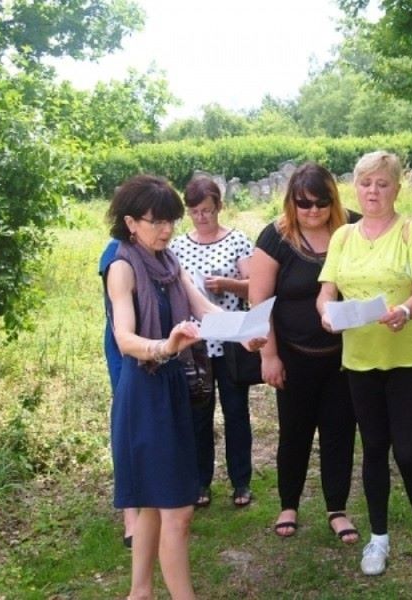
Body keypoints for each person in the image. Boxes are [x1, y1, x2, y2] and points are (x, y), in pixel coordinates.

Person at [102, 174, 265, 599]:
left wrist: (242, 333)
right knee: (178, 510)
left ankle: (140, 593)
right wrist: (165, 345)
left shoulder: (170, 262)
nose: (167, 229)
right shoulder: (121, 266)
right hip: (144, 393)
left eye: (171, 221)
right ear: (131, 222)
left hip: (174, 386)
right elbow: (124, 338)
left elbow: (205, 307)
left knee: (160, 503)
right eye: (157, 222)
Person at [317, 150, 412, 577]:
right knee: (374, 448)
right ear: (354, 187)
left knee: (409, 452)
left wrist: (407, 312)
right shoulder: (342, 237)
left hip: (405, 358)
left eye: (382, 183)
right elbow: (326, 292)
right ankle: (379, 539)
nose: (373, 191)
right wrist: (326, 313)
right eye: (365, 183)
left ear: (396, 187)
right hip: (359, 360)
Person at [249, 162, 360, 544]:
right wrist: (269, 356)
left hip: (344, 355)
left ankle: (337, 508)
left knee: (340, 432)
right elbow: (259, 300)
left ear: (334, 199)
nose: (312, 210)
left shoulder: (353, 230)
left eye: (321, 202)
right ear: (291, 202)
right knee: (294, 432)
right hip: (294, 354)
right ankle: (289, 504)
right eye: (303, 203)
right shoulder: (276, 237)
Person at [171, 176, 254, 509]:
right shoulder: (177, 246)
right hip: (196, 345)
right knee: (198, 416)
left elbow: (255, 286)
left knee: (236, 413)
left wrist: (228, 284)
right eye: (195, 212)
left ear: (219, 206)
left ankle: (241, 482)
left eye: (207, 210)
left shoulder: (238, 241)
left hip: (231, 341)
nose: (202, 217)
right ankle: (200, 482)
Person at [98, 238, 139, 548]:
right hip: (128, 352)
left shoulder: (165, 253)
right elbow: (121, 325)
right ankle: (131, 516)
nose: (165, 227)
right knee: (128, 424)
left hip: (164, 350)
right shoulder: (116, 255)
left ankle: (157, 505)